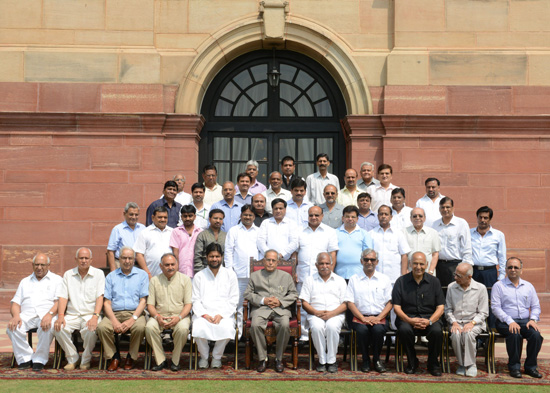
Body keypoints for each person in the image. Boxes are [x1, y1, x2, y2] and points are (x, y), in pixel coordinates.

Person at [244, 250, 299, 373]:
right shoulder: (255, 276)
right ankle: (262, 359)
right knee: (255, 325)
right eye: (268, 260)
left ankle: (279, 359)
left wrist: (280, 302)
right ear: (264, 261)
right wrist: (263, 300)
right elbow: (247, 293)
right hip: (261, 309)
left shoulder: (286, 276)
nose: (270, 262)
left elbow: (294, 294)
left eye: (273, 260)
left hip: (280, 309)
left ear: (277, 262)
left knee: (285, 325)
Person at [7, 252, 63, 371]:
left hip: (47, 314)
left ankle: (39, 359)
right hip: (27, 315)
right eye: (36, 264)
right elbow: (15, 302)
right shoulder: (25, 281)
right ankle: (26, 358)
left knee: (48, 326)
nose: (39, 268)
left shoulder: (57, 280)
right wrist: (16, 315)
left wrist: (50, 314)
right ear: (32, 265)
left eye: (42, 265)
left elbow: (60, 301)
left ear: (48, 265)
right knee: (12, 327)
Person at [392, 252, 445, 376]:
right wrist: (410, 320)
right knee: (404, 330)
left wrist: (429, 321)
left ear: (426, 265)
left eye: (421, 264)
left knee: (437, 332)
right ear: (410, 264)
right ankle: (412, 362)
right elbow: (397, 307)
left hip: (430, 318)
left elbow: (440, 307)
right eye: (415, 263)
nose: (418, 267)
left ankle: (433, 363)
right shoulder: (401, 281)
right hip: (407, 318)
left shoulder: (434, 282)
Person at [97, 247, 148, 371]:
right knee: (102, 327)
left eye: (130, 258)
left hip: (135, 313)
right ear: (119, 259)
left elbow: (143, 301)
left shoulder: (142, 275)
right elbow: (107, 303)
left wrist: (132, 319)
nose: (127, 261)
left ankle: (131, 356)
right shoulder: (111, 276)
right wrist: (114, 321)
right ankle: (114, 356)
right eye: (124, 258)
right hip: (114, 313)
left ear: (134, 259)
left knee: (140, 327)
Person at [491, 257, 543, 379]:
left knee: (536, 335)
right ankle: (514, 367)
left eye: (516, 267)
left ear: (521, 270)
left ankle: (530, 367)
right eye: (510, 267)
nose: (513, 270)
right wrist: (510, 321)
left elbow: (535, 306)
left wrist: (533, 319)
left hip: (526, 321)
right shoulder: (498, 286)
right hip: (505, 321)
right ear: (505, 269)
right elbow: (495, 308)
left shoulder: (528, 286)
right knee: (515, 334)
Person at [54, 248, 105, 371]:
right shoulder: (68, 274)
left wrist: (95, 316)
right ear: (76, 259)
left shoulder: (98, 274)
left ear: (91, 260)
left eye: (86, 258)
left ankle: (86, 359)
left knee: (91, 329)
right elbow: (63, 297)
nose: (83, 261)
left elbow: (100, 297)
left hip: (90, 314)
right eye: (81, 258)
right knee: (57, 328)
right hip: (72, 314)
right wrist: (61, 315)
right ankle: (73, 358)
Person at [192, 243, 239, 369]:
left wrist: (221, 315)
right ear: (206, 257)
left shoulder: (230, 275)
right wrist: (205, 315)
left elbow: (234, 299)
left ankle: (217, 357)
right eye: (211, 256)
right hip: (203, 314)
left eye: (217, 256)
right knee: (197, 327)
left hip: (224, 314)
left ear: (222, 257)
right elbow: (195, 300)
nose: (214, 259)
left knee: (228, 328)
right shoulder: (199, 276)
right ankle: (204, 357)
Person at [345, 249, 392, 373]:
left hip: (379, 316)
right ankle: (365, 360)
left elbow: (390, 302)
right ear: (361, 261)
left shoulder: (384, 279)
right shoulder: (354, 279)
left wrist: (379, 317)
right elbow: (350, 302)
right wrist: (362, 317)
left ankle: (376, 359)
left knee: (378, 330)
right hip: (359, 317)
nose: (369, 262)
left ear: (377, 262)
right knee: (362, 331)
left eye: (372, 260)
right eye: (366, 259)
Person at [300, 253, 347, 373]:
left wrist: (332, 314)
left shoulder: (340, 280)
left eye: (327, 263)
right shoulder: (309, 280)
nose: (324, 266)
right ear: (316, 265)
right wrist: (315, 312)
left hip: (335, 313)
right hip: (315, 313)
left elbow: (345, 304)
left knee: (331, 327)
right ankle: (322, 360)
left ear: (332, 264)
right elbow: (304, 302)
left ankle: (331, 361)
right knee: (317, 327)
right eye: (321, 263)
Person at [146, 253, 192, 372]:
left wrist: (179, 317)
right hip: (160, 316)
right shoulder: (154, 281)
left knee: (182, 329)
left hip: (180, 316)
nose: (170, 267)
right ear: (161, 266)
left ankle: (175, 361)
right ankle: (161, 360)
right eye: (167, 265)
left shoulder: (185, 280)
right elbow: (150, 304)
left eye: (173, 264)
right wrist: (157, 317)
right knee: (149, 327)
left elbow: (188, 304)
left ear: (177, 265)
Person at [445, 262, 488, 378]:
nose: (455, 278)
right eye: (455, 274)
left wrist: (472, 323)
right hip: (456, 321)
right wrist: (453, 322)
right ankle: (462, 364)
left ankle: (471, 364)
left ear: (469, 277)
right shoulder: (451, 287)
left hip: (475, 322)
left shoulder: (480, 288)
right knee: (456, 334)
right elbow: (447, 309)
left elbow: (484, 312)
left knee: (468, 333)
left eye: (459, 276)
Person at [225, 205, 260, 335]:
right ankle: (239, 333)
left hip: (255, 275)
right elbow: (228, 251)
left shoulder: (259, 231)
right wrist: (229, 270)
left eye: (250, 215)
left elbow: (261, 251)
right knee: (238, 304)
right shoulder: (234, 231)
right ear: (241, 215)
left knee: (254, 304)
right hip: (237, 275)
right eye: (245, 215)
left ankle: (251, 333)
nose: (247, 217)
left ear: (254, 217)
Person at [432, 197, 472, 287]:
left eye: (448, 207)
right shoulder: (435, 225)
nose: (445, 210)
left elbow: (467, 247)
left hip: (455, 265)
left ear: (453, 208)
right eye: (442, 207)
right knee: (440, 293)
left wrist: (465, 268)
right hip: (438, 266)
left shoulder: (461, 223)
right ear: (439, 209)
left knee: (455, 293)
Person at [368, 205, 410, 285]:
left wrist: (404, 275)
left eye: (386, 214)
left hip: (394, 278)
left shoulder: (398, 234)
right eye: (381, 214)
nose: (383, 216)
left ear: (391, 217)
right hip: (376, 277)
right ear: (377, 216)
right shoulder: (371, 234)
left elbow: (404, 255)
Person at [134, 206, 173, 279]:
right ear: (153, 217)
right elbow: (139, 255)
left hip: (170, 277)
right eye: (160, 217)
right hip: (151, 276)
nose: (163, 219)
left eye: (165, 217)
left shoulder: (173, 232)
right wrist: (148, 274)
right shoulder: (145, 233)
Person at [335, 205, 373, 280]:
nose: (350, 219)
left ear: (357, 219)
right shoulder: (335, 232)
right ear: (343, 218)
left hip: (359, 275)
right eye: (347, 216)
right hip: (339, 275)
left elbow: (368, 254)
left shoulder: (364, 234)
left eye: (353, 217)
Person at [106, 202, 145, 271]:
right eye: (131, 214)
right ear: (124, 214)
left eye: (136, 215)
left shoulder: (143, 228)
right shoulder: (118, 229)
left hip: (139, 265)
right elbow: (110, 251)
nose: (134, 217)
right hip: (121, 264)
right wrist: (113, 270)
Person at [403, 207, 440, 274]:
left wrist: (431, 271)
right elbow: (403, 254)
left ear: (424, 218)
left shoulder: (433, 233)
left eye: (420, 216)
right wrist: (405, 270)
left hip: (428, 272)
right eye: (414, 216)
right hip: (409, 272)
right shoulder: (403, 232)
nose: (417, 218)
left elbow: (435, 254)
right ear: (410, 218)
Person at [193, 208, 227, 274]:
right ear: (209, 219)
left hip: (222, 272)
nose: (218, 221)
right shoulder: (202, 235)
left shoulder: (226, 236)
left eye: (220, 219)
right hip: (205, 271)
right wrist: (200, 273)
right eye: (215, 218)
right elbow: (198, 256)